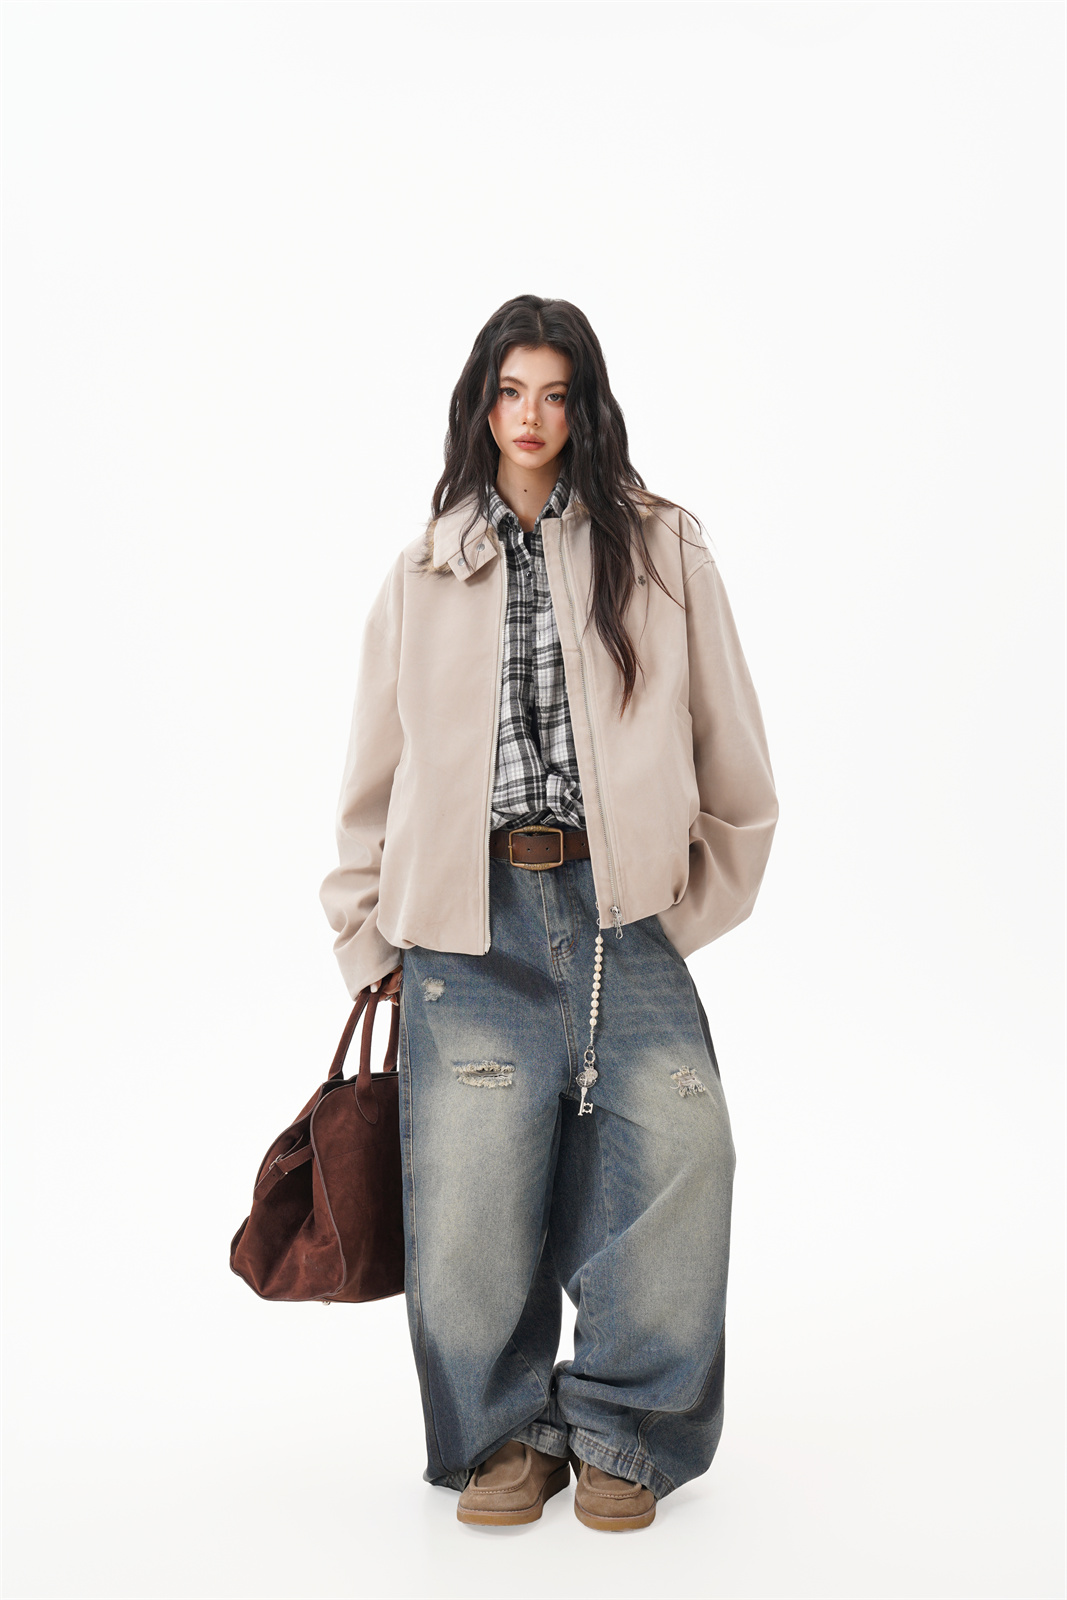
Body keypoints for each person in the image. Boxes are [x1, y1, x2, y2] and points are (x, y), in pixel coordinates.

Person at [319, 295, 778, 1532]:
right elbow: (371, 772)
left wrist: (676, 908)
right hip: (464, 920)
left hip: (620, 909)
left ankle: (626, 1422)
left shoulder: (660, 547)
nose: (531, 417)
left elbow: (732, 751)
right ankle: (501, 1433)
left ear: (585, 407)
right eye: (510, 391)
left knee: (684, 1149)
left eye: (556, 394)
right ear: (481, 405)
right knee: (471, 1189)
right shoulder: (422, 571)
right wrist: (368, 933)